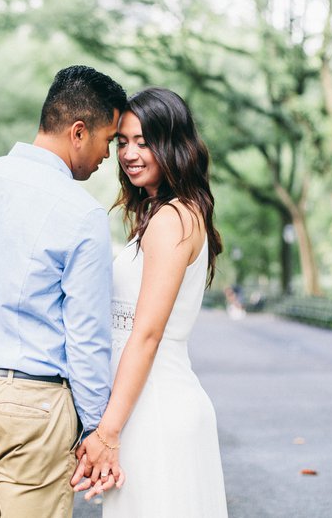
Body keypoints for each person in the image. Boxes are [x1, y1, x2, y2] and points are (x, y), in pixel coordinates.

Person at [0, 65, 127, 518]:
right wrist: (95, 427)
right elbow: (86, 335)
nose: (108, 157)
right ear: (79, 132)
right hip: (31, 402)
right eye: (109, 141)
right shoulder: (81, 213)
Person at [72, 87, 229, 516]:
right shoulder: (169, 214)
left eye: (144, 141)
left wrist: (107, 431)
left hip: (155, 406)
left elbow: (146, 334)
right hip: (146, 403)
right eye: (122, 141)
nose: (129, 153)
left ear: (174, 144)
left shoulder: (172, 218)